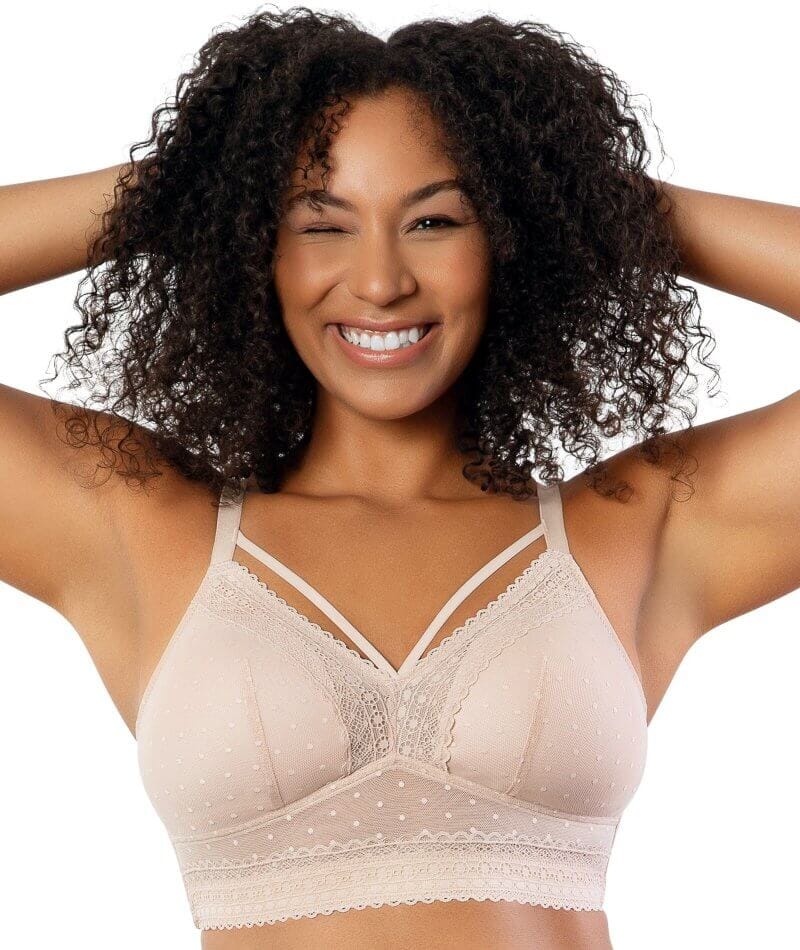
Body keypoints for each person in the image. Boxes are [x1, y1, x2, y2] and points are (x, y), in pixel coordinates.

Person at [2, 6, 798, 949]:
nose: (380, 282)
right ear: (251, 245)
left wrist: (584, 192)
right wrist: (188, 181)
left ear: (508, 238)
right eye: (320, 223)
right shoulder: (135, 525)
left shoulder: (638, 527)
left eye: (434, 220)